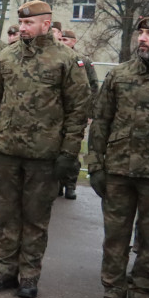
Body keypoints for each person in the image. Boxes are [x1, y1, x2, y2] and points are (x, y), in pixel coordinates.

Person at [0, 0, 90, 298]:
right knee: (7, 214)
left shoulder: (66, 59)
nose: (24, 28)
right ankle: (5, 269)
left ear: (46, 23)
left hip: (45, 153)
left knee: (36, 218)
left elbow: (78, 110)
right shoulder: (6, 57)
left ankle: (29, 275)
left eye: (29, 23)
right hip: (7, 149)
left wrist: (69, 152)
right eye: (21, 23)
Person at [87, 16, 149, 298]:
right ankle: (113, 291)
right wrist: (96, 164)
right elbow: (100, 121)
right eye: (142, 32)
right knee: (115, 236)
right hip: (119, 169)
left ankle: (140, 296)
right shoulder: (120, 75)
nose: (143, 38)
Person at [58, 29, 100, 199]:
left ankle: (70, 185)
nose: (62, 42)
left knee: (73, 151)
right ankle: (57, 185)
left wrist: (89, 112)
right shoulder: (57, 59)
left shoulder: (84, 61)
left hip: (77, 112)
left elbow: (93, 87)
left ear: (74, 41)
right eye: (60, 39)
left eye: (66, 39)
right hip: (58, 112)